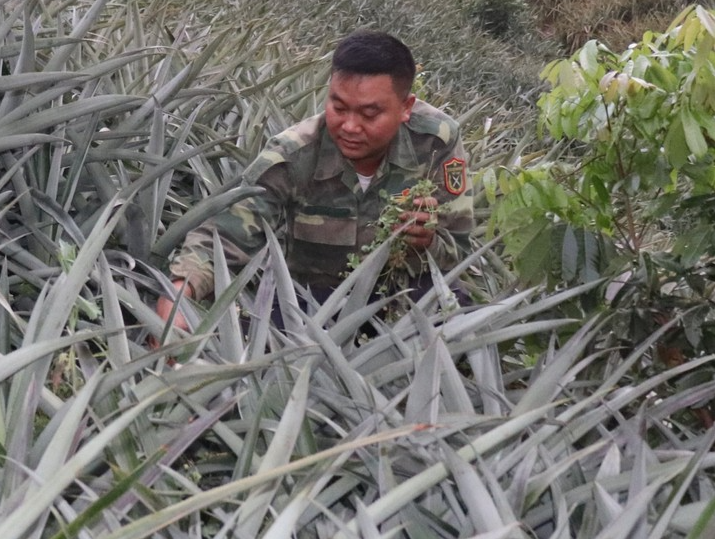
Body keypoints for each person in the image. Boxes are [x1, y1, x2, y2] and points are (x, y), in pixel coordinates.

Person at [156, 30, 475, 331]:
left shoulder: (435, 141)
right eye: (338, 106)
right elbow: (226, 236)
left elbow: (458, 246)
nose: (350, 126)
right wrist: (179, 299)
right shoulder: (294, 153)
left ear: (405, 108)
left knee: (457, 323)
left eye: (368, 114)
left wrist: (427, 241)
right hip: (311, 300)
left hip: (402, 295)